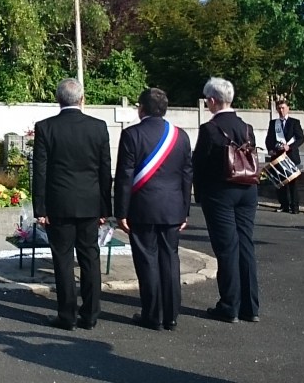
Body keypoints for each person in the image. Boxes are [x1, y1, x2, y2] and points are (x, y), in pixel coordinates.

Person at [32, 78, 112, 330]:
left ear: (58, 100)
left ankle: (66, 316)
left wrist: (40, 209)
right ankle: (90, 315)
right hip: (90, 204)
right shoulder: (98, 127)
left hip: (60, 204)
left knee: (63, 259)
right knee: (90, 258)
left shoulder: (46, 128)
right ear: (82, 99)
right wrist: (104, 209)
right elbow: (104, 170)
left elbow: (40, 171)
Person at [114, 88, 192, 331]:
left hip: (142, 208)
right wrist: (184, 211)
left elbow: (125, 176)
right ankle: (171, 316)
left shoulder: (131, 134)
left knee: (147, 261)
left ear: (142, 109)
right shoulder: (181, 136)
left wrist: (121, 211)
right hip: (172, 209)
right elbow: (187, 175)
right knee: (170, 260)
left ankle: (153, 315)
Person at [192, 77, 260, 324]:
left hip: (220, 191)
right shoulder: (246, 127)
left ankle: (229, 305)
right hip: (248, 188)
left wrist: (198, 194)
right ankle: (250, 306)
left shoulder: (209, 129)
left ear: (212, 101)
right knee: (245, 244)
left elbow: (199, 164)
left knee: (227, 247)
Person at [265, 98, 304, 214]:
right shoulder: (273, 123)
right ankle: (284, 205)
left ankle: (295, 207)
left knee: (293, 183)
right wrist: (270, 149)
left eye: (283, 108)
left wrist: (290, 147)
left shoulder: (294, 122)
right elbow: (269, 139)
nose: (281, 110)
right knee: (280, 183)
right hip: (277, 156)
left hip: (291, 156)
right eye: (279, 108)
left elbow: (301, 138)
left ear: (288, 109)